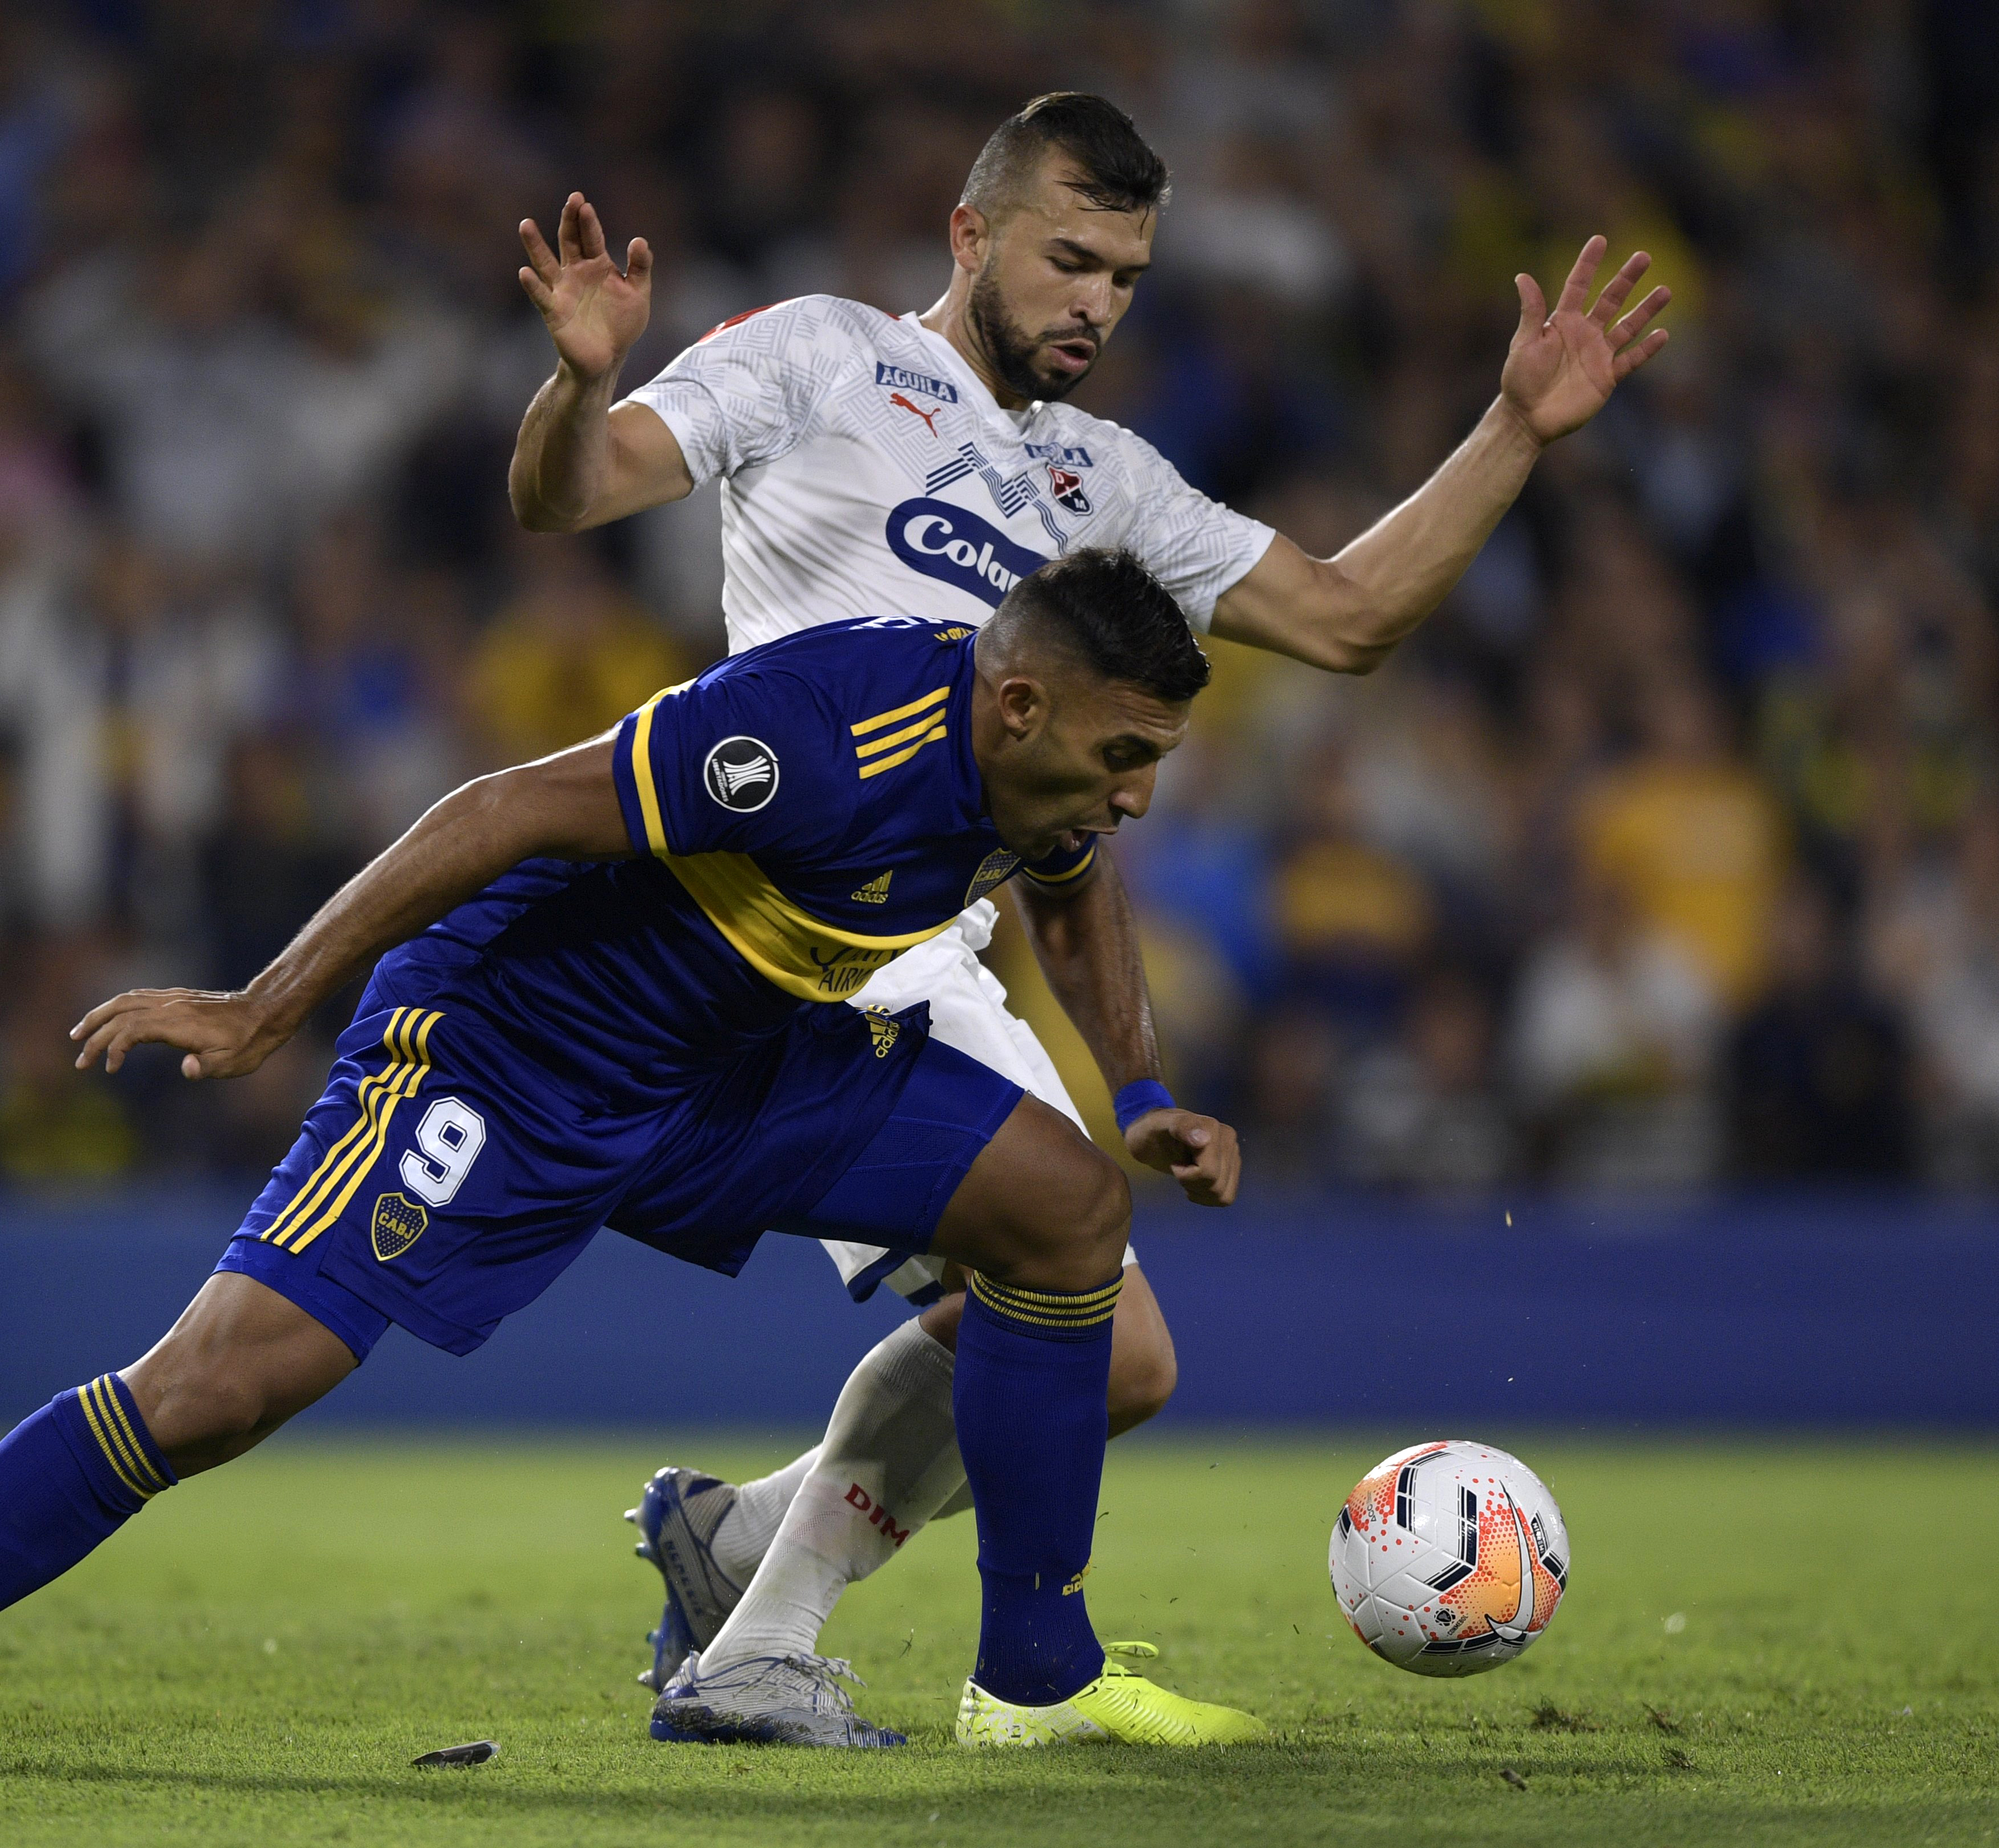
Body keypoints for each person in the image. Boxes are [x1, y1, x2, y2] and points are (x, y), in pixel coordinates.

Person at [0, 552, 1268, 1762]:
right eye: (1127, 754)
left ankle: (1034, 1678)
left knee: (1067, 1208)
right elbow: (501, 806)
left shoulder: (1046, 771)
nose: (1135, 797)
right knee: (222, 1384)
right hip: (512, 1054)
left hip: (733, 1067)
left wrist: (1134, 1092)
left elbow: (1063, 882)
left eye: (1152, 764)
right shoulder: (821, 732)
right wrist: (262, 1005)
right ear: (1019, 705)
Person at [506, 91, 1670, 1731]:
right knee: (1089, 1334)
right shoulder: (822, 356)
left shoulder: (1100, 479)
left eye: (1124, 275)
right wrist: (575, 377)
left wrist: (1513, 432)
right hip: (811, 927)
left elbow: (1345, 619)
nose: (1095, 303)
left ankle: (744, 1552)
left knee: (1105, 1355)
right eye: (1068, 259)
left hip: (957, 935)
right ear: (971, 234)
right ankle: (819, 1645)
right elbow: (572, 492)